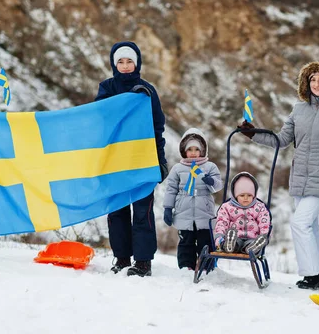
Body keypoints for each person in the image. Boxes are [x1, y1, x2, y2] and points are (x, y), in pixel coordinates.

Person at [238, 61, 319, 290]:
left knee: (300, 223)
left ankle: (311, 274)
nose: (317, 84)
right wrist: (253, 134)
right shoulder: (298, 109)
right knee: (311, 226)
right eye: (312, 79)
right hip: (300, 175)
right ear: (306, 83)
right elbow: (281, 140)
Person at [95, 41, 167, 277]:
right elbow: (100, 118)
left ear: (137, 63)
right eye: (121, 62)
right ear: (114, 64)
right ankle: (122, 257)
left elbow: (157, 128)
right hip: (114, 160)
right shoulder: (106, 88)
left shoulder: (148, 90)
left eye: (129, 61)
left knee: (143, 211)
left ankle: (144, 261)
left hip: (142, 160)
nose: (125, 66)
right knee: (117, 210)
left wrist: (161, 160)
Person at [162, 128, 223, 270]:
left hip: (204, 211)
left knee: (205, 242)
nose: (194, 152)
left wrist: (211, 182)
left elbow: (218, 185)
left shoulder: (210, 166)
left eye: (197, 149)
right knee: (186, 242)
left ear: (203, 150)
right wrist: (168, 208)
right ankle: (186, 267)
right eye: (190, 149)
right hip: (184, 212)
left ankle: (206, 266)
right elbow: (171, 189)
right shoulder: (178, 168)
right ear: (184, 151)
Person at [213, 172, 270, 255]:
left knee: (251, 243)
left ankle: (252, 248)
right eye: (242, 195)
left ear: (254, 196)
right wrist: (219, 236)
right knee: (235, 242)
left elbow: (264, 222)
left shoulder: (259, 207)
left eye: (249, 195)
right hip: (235, 236)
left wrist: (264, 235)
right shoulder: (227, 207)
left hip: (252, 237)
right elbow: (222, 222)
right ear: (235, 196)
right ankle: (230, 244)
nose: (246, 198)